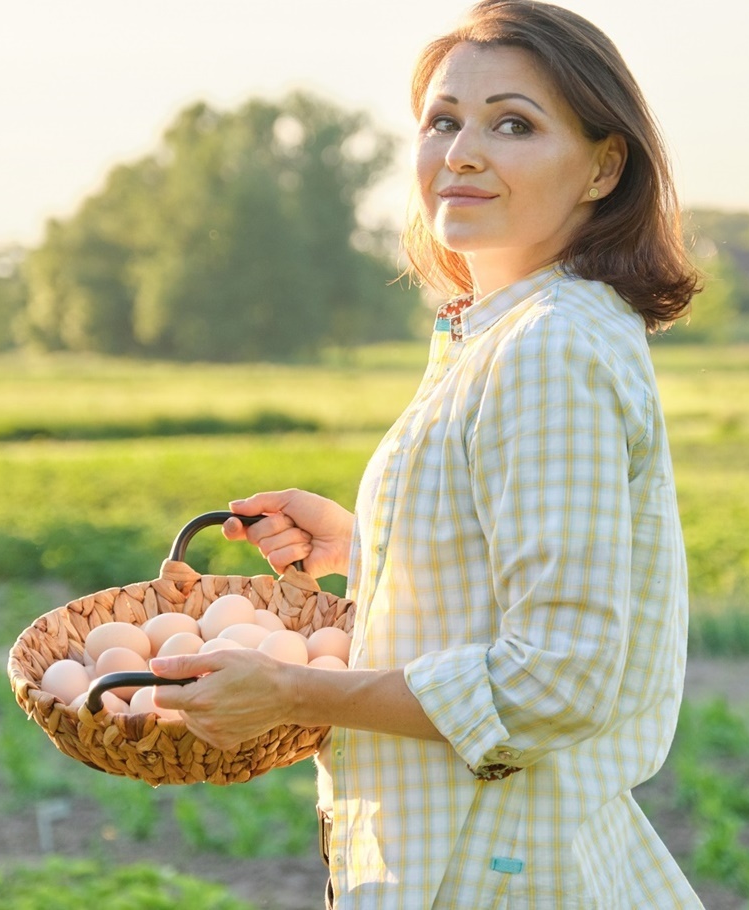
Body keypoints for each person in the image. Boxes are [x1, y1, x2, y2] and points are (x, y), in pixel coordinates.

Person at [150, 1, 705, 906]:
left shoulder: (547, 348)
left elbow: (557, 677)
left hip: (494, 862)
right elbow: (509, 583)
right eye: (442, 121)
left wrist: (294, 690)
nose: (461, 153)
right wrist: (364, 546)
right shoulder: (508, 333)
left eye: (512, 124)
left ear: (605, 166)